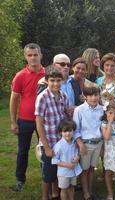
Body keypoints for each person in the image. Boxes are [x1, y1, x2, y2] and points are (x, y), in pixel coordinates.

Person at [9, 43, 45, 192]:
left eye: (35, 54)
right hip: (24, 120)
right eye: (29, 55)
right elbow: (14, 99)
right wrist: (13, 121)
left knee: (44, 149)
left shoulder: (47, 74)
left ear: (40, 55)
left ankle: (47, 178)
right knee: (23, 150)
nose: (33, 58)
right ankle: (20, 179)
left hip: (43, 120)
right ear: (25, 56)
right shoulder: (20, 75)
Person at [35, 65, 69, 200]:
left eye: (58, 80)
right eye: (52, 80)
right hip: (48, 142)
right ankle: (45, 196)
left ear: (62, 81)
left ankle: (55, 194)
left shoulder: (64, 96)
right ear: (47, 81)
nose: (55, 83)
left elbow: (65, 114)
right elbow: (39, 124)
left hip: (61, 141)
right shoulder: (42, 98)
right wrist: (47, 147)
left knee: (57, 171)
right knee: (47, 174)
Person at [73, 85, 104, 200]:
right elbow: (75, 130)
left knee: (92, 169)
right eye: (90, 95)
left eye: (96, 95)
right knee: (84, 170)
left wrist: (102, 145)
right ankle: (86, 194)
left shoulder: (101, 109)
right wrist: (80, 144)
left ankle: (90, 191)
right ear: (85, 96)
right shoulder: (79, 110)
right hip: (86, 144)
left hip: (98, 143)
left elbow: (102, 127)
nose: (93, 98)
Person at [52, 119, 82, 200]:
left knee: (72, 188)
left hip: (73, 171)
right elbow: (54, 160)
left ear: (73, 131)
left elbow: (77, 153)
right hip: (63, 173)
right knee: (64, 189)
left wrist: (77, 157)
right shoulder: (58, 146)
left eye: (70, 131)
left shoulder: (74, 143)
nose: (68, 133)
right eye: (65, 131)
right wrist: (67, 165)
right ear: (61, 133)